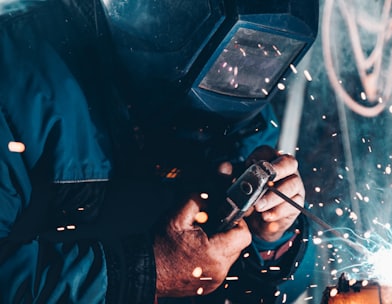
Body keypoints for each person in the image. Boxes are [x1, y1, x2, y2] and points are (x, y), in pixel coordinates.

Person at [0, 0, 319, 303]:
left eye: (263, 55)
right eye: (235, 50)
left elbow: (276, 294)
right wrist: (144, 274)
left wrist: (272, 239)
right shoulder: (16, 75)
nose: (238, 69)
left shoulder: (241, 102)